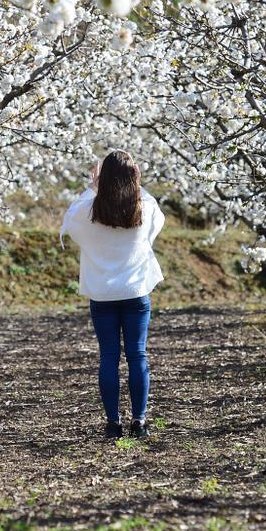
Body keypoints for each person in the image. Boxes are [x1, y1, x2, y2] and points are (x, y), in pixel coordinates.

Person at [61, 150, 165, 439]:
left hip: (102, 295)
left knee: (108, 355)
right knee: (137, 355)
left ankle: (112, 423)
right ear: (135, 176)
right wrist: (135, 182)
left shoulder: (88, 211)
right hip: (135, 293)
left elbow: (70, 221)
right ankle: (140, 421)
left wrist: (93, 187)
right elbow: (156, 225)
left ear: (101, 178)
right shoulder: (144, 207)